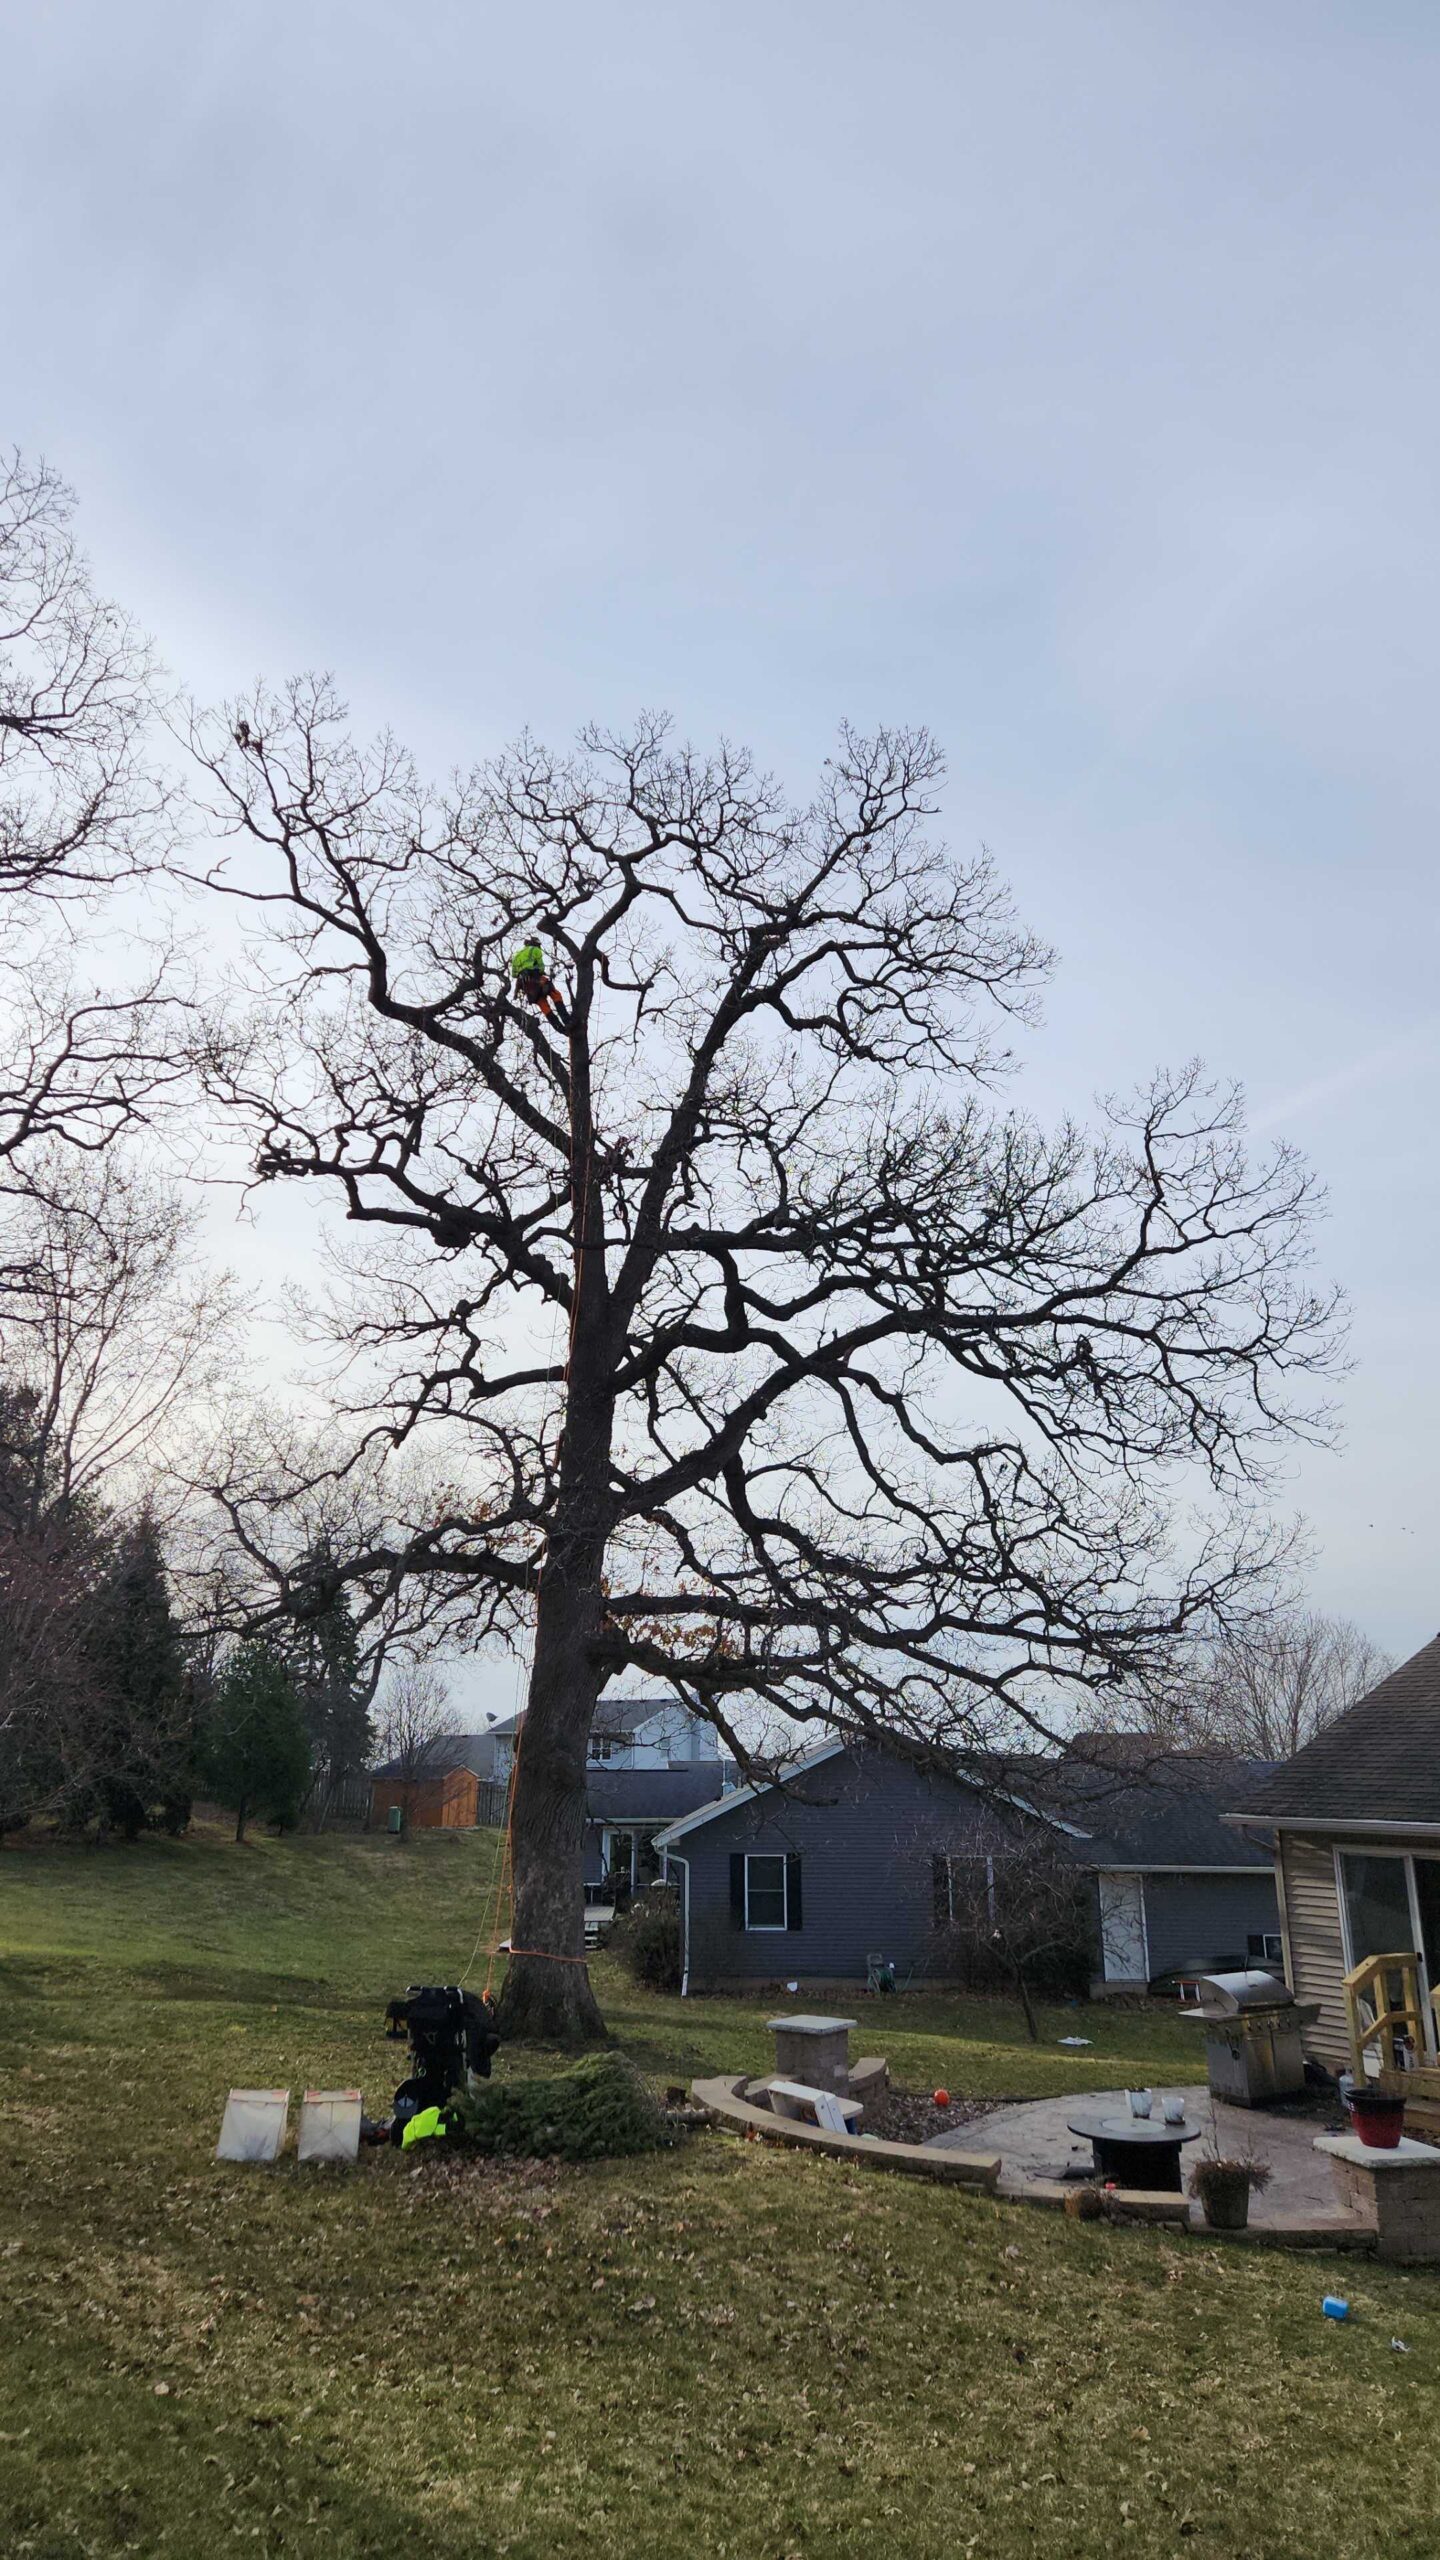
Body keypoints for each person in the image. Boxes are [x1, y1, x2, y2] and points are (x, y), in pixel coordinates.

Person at [509, 939, 569, 1028]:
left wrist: (522, 971)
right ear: (536, 944)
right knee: (555, 994)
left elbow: (514, 974)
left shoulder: (516, 956)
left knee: (543, 1004)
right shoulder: (535, 950)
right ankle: (567, 1020)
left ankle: (559, 1028)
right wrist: (541, 971)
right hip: (537, 979)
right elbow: (541, 967)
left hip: (527, 987)